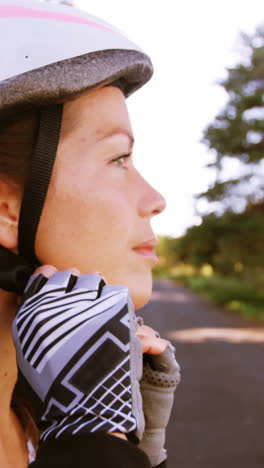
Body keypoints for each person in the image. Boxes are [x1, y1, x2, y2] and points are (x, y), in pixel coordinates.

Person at [0, 1, 181, 467]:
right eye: (118, 159)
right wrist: (91, 441)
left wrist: (125, 450)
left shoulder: (29, 418)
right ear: (4, 209)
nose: (156, 199)